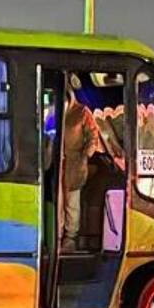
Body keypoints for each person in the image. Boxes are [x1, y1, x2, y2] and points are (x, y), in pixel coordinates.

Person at [61, 74, 104, 251]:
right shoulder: (53, 112)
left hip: (75, 164)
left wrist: (87, 153)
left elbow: (93, 134)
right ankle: (58, 236)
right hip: (57, 164)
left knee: (72, 202)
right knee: (59, 202)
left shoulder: (81, 112)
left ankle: (71, 237)